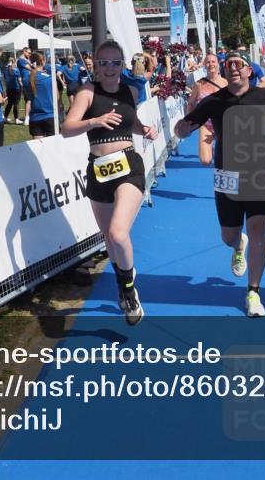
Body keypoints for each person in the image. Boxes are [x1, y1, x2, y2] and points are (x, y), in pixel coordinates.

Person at [173, 53, 265, 318]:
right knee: (229, 236)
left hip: (258, 174)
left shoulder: (263, 96)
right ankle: (237, 246)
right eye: (228, 65)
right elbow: (185, 128)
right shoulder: (213, 102)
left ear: (249, 71)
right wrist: (181, 128)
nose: (232, 69)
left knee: (258, 229)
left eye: (238, 64)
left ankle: (253, 292)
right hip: (226, 176)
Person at [63, 41, 157, 325]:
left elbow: (132, 121)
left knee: (118, 234)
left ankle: (129, 290)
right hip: (99, 170)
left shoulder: (130, 90)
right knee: (108, 238)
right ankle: (122, 281)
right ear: (95, 65)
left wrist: (145, 129)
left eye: (115, 62)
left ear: (123, 64)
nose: (110, 68)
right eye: (103, 63)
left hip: (128, 165)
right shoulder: (88, 92)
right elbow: (67, 128)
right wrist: (95, 121)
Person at [186, 52, 227, 166]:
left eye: (213, 61)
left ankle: (217, 147)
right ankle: (212, 149)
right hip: (206, 125)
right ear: (204, 65)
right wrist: (190, 121)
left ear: (218, 64)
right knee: (205, 161)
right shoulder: (199, 84)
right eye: (208, 62)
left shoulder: (226, 83)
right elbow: (190, 103)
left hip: (223, 125)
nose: (211, 64)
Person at [25, 52, 56, 139]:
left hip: (35, 118)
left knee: (37, 150)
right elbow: (57, 97)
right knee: (52, 149)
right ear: (43, 61)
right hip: (50, 116)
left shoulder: (27, 79)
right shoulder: (49, 78)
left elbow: (29, 96)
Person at [3, 56, 23, 124]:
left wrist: (6, 88)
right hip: (16, 88)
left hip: (9, 89)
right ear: (14, 62)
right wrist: (22, 87)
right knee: (16, 103)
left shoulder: (6, 70)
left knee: (9, 104)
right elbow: (19, 80)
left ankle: (5, 118)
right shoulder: (16, 70)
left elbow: (4, 80)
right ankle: (16, 119)